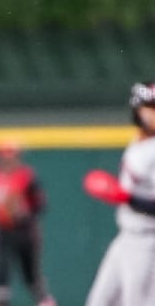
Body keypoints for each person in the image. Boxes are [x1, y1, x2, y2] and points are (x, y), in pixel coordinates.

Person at [85, 81, 155, 306]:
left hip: (148, 242)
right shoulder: (141, 141)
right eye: (151, 107)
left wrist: (126, 197)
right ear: (137, 109)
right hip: (127, 237)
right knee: (99, 301)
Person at [0, 140, 57, 306]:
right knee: (0, 278)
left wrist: (23, 213)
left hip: (25, 231)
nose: (8, 160)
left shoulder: (26, 176)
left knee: (31, 276)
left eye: (11, 155)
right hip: (3, 231)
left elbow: (40, 204)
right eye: (4, 156)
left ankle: (45, 301)